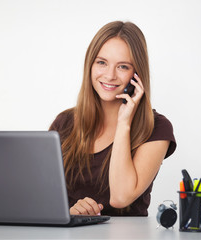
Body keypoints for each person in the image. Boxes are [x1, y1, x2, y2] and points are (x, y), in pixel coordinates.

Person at [49, 21, 176, 216]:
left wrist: (124, 123)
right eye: (102, 62)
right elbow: (44, 200)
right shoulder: (64, 123)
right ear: (90, 65)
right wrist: (70, 213)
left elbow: (120, 197)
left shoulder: (156, 128)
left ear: (137, 74)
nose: (109, 75)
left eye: (123, 67)